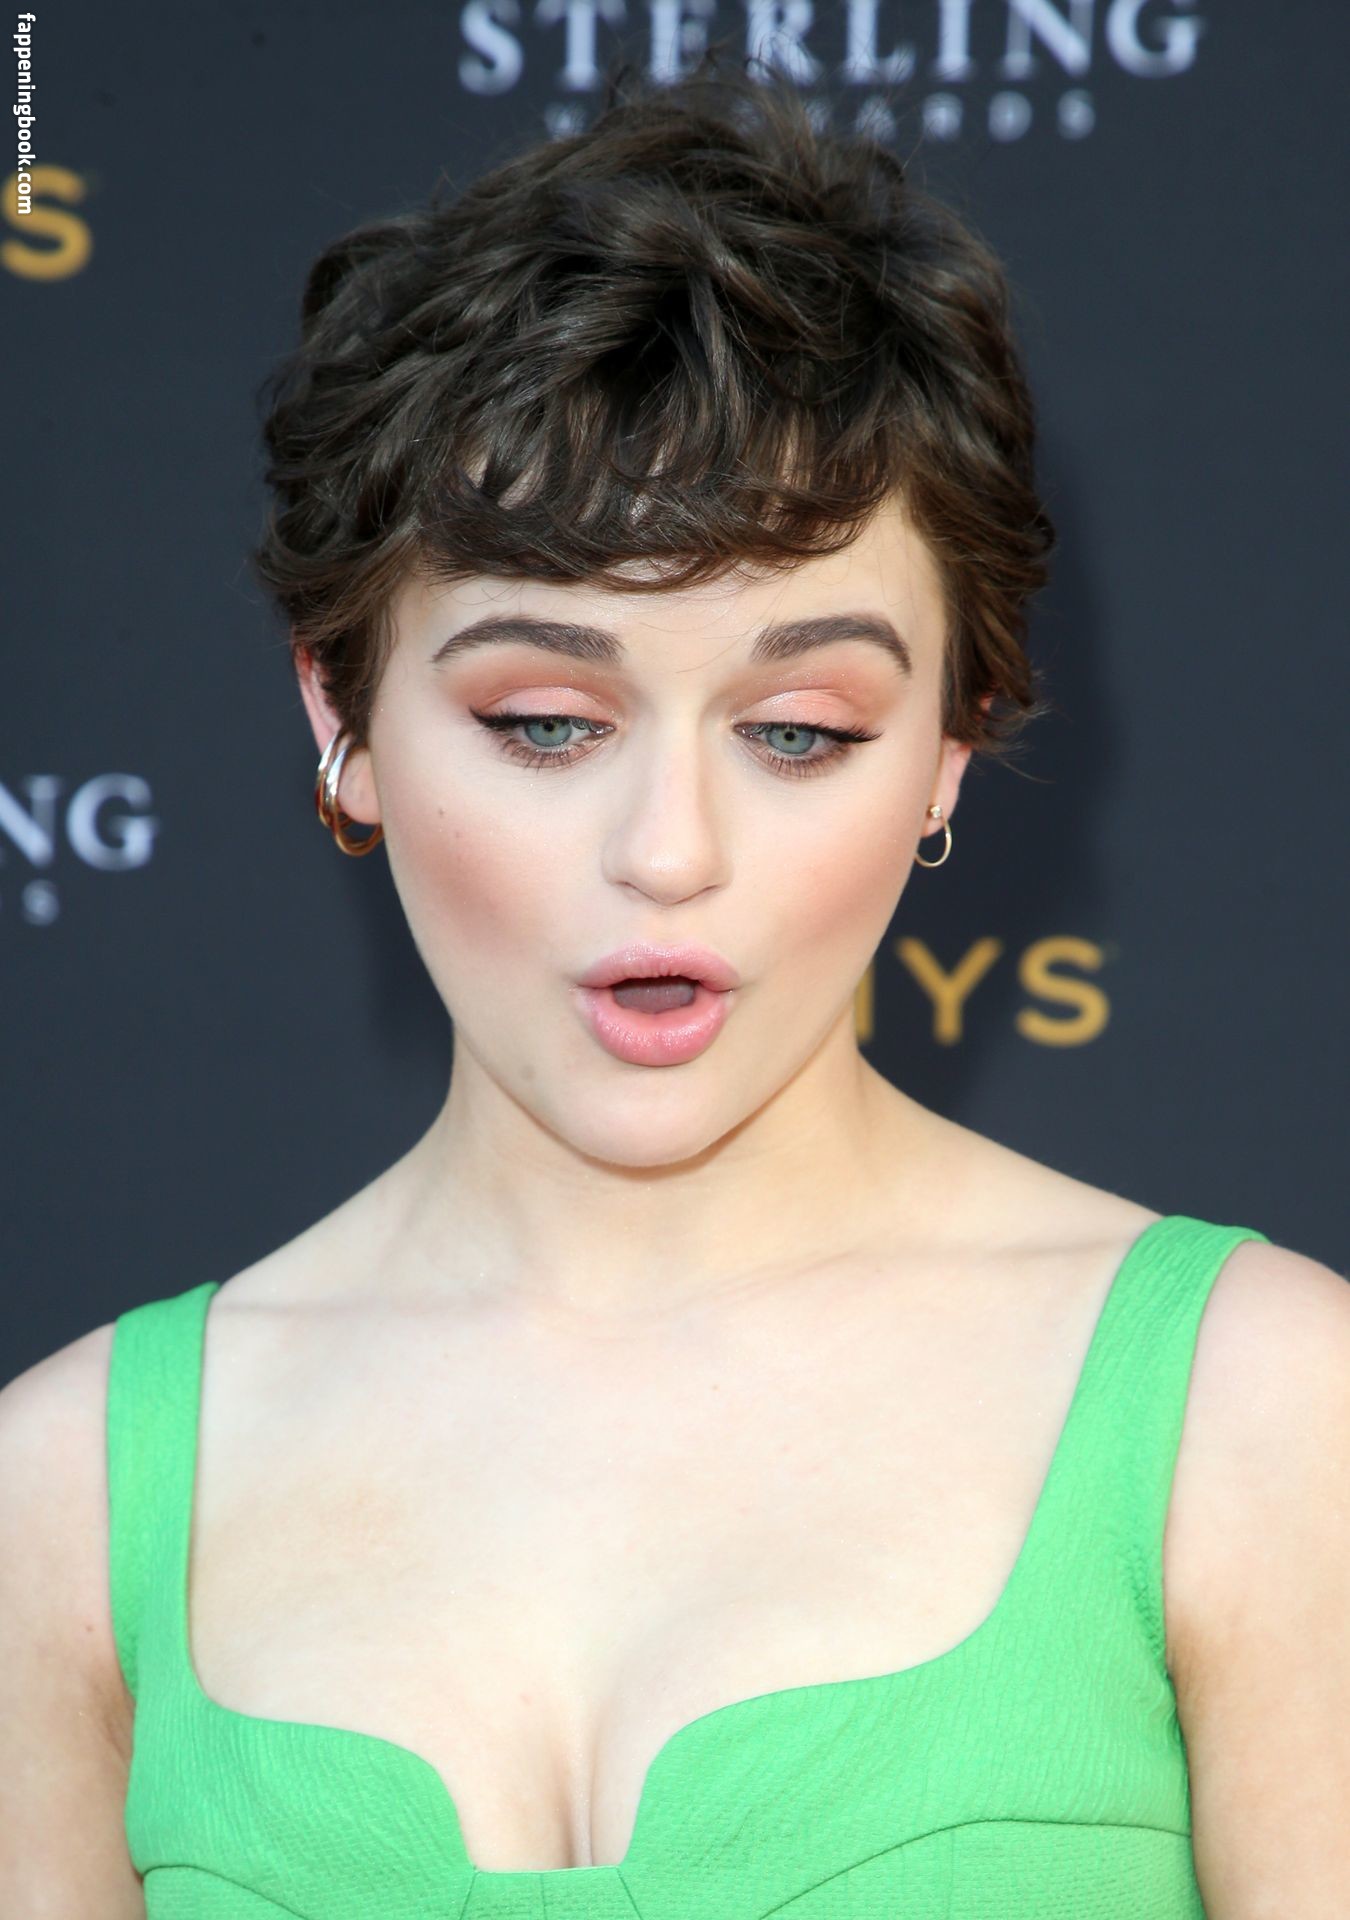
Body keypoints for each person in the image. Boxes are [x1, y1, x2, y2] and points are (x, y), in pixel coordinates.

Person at [2, 51, 1346, 1920]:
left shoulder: (1262, 1414)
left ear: (948, 746)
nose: (668, 851)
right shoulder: (63, 1496)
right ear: (342, 714)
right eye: (545, 721)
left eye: (798, 730)